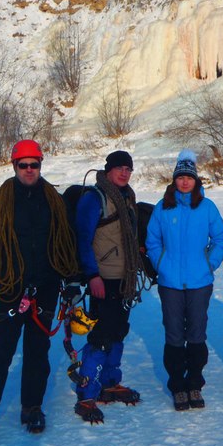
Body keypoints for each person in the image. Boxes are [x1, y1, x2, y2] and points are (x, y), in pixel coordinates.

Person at [0, 139, 81, 445]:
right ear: (14, 166)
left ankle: (32, 407)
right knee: (1, 350)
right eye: (23, 165)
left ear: (41, 165)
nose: (29, 170)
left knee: (37, 350)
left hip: (45, 286)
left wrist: (72, 281)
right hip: (11, 286)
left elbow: (67, 242)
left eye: (34, 164)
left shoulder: (54, 201)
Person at [145, 149, 223, 411]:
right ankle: (177, 385)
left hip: (199, 283)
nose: (184, 182)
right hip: (170, 283)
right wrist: (161, 264)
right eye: (180, 177)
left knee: (196, 333)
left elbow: (220, 239)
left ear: (195, 180)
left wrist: (209, 263)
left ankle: (194, 383)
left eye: (189, 177)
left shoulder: (207, 207)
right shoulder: (163, 207)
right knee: (173, 334)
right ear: (174, 180)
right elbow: (152, 241)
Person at [73, 150, 143, 424]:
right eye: (120, 168)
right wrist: (92, 275)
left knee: (118, 330)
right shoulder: (95, 198)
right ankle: (87, 392)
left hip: (124, 278)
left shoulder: (127, 197)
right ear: (108, 170)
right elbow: (83, 238)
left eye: (128, 169)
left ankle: (110, 382)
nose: (124, 173)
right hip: (103, 278)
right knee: (101, 334)